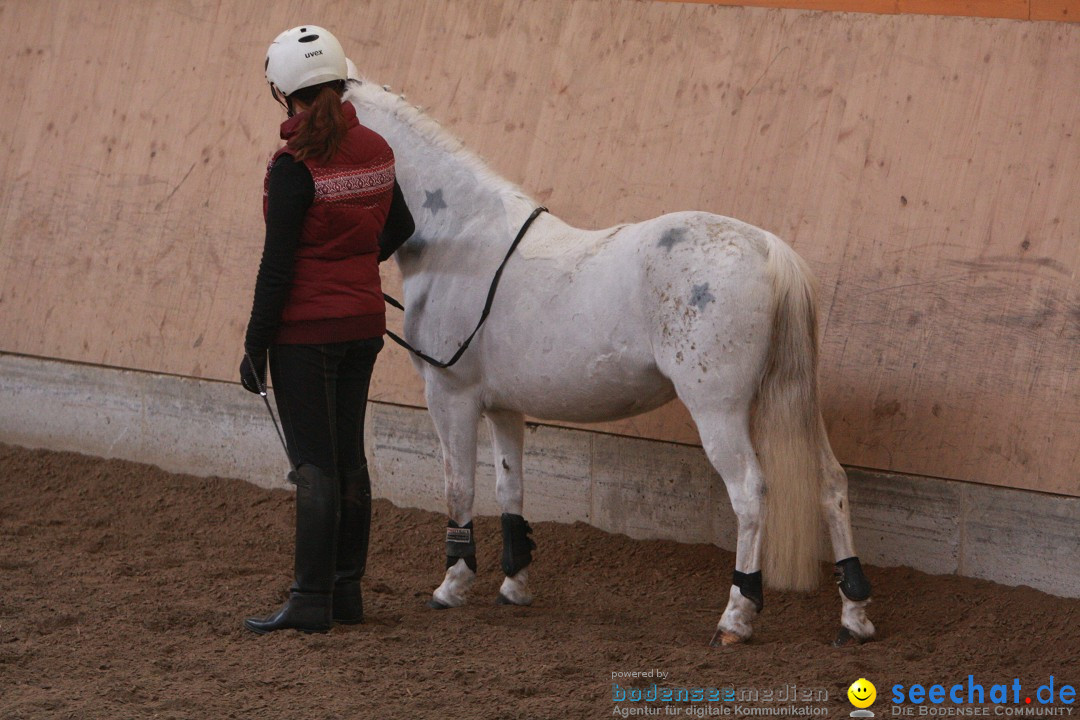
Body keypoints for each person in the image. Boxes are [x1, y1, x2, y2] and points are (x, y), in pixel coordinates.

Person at [240, 25, 414, 634]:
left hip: (303, 336)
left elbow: (278, 265)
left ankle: (310, 599)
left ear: (286, 93)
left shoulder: (292, 167)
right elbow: (400, 230)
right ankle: (346, 593)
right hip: (363, 324)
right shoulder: (377, 148)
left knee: (313, 464)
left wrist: (255, 344)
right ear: (341, 79)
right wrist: (354, 263)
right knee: (349, 460)